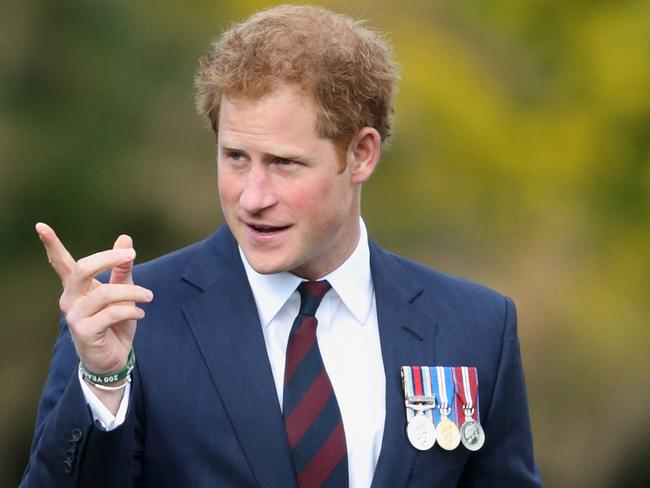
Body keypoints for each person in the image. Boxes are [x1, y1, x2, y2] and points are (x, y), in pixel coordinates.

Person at [21, 5, 541, 487]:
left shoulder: (474, 326)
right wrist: (103, 382)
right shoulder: (124, 318)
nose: (252, 197)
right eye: (236, 157)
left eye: (284, 163)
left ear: (360, 155)